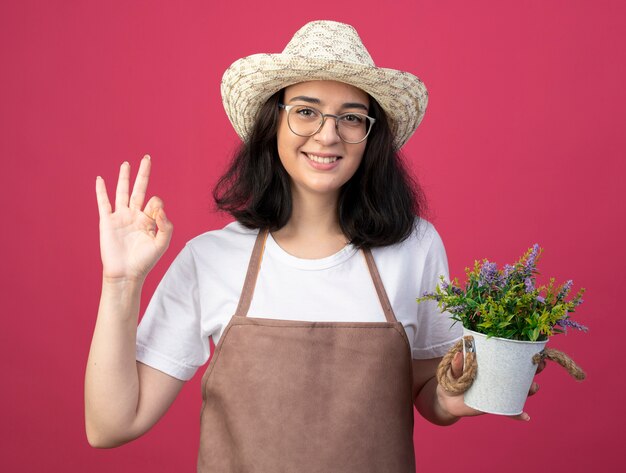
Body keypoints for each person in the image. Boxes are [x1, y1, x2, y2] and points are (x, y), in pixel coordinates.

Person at [85, 20, 541, 471]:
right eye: (306, 111)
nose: (327, 135)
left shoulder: (415, 247)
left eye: (351, 117)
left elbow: (430, 395)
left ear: (371, 135)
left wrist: (462, 394)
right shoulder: (210, 258)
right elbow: (110, 426)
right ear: (273, 122)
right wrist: (121, 281)